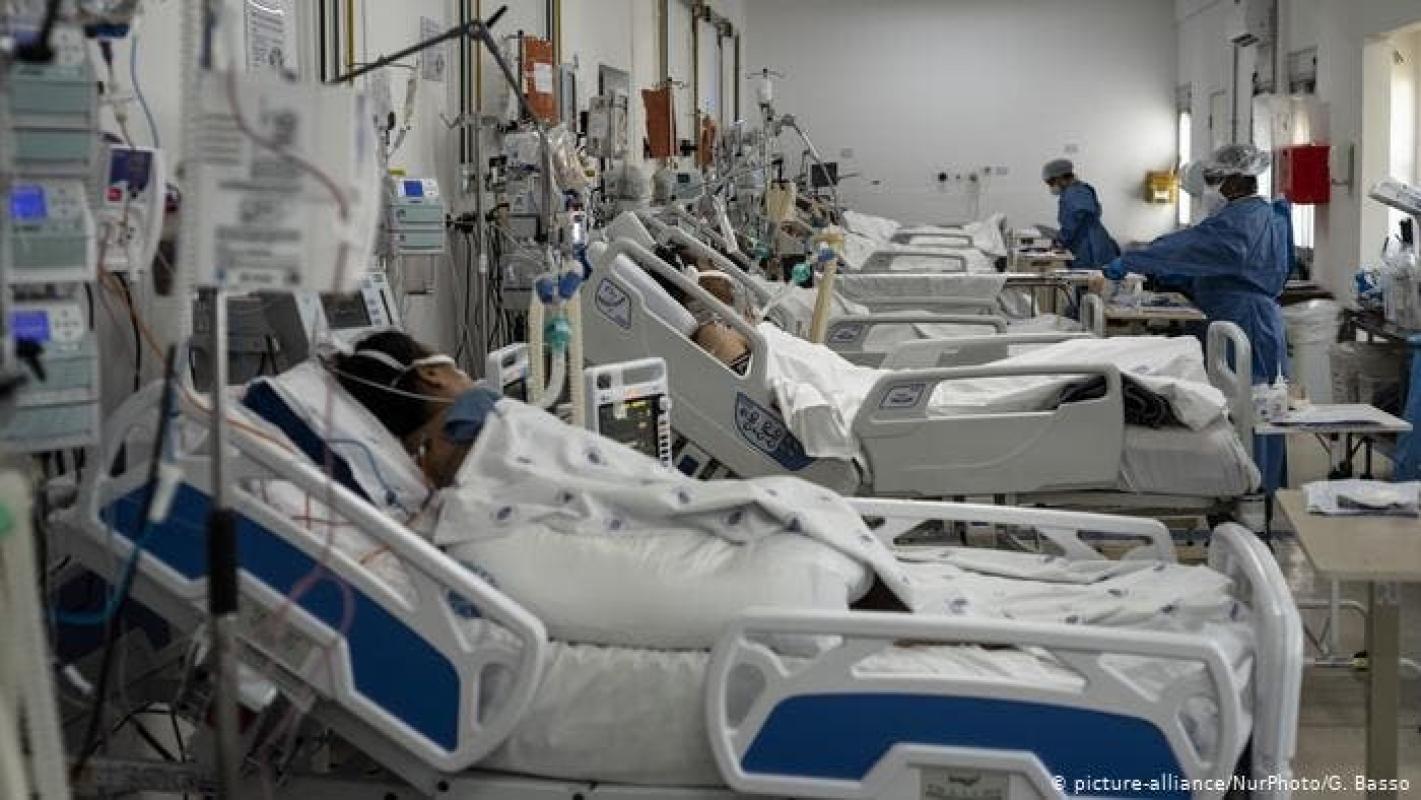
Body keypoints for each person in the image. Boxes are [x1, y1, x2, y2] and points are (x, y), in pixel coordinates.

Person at [1103, 143, 1292, 491]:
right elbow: (1209, 259)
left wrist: (1134, 259)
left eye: (1214, 180)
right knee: (1242, 403)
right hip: (1242, 316)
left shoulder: (1240, 223)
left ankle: (1254, 489)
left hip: (1245, 321)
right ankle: (1245, 482)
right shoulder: (1261, 215)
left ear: (1237, 180)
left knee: (1253, 407)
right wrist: (1173, 272)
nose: (1210, 189)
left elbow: (1190, 246)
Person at [330, 330, 497, 487]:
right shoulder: (479, 403)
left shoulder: (422, 469)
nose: (465, 376)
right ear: (431, 374)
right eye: (457, 370)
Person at [1042, 158, 1120, 268]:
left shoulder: (1073, 193)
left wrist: (1060, 241)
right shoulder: (1083, 189)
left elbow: (1072, 222)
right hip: (1095, 243)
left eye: (1051, 182)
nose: (1051, 187)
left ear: (1060, 178)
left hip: (1089, 248)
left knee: (1088, 276)